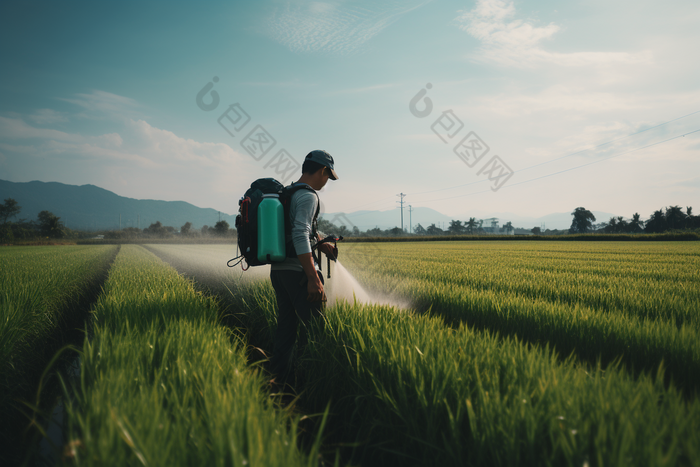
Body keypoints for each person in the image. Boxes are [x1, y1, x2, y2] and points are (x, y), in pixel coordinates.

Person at [269, 149, 339, 388]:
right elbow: (299, 233)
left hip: (279, 273)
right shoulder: (309, 196)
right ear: (322, 170)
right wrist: (312, 278)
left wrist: (320, 242)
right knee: (317, 332)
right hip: (298, 275)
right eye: (328, 176)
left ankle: (278, 383)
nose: (327, 181)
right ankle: (311, 389)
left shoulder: (287, 192)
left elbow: (296, 230)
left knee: (286, 332)